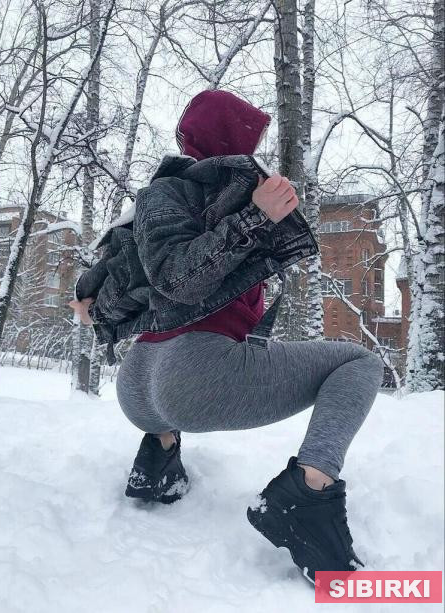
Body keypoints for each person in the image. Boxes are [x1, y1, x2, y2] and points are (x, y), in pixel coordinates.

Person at [69, 90, 384, 584]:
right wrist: (256, 217)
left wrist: (92, 310)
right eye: (249, 137)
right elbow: (178, 280)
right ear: (228, 136)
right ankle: (308, 493)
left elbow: (116, 300)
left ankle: (158, 462)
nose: (254, 149)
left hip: (141, 388)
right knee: (359, 364)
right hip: (192, 376)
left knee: (202, 370)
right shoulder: (176, 194)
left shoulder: (160, 207)